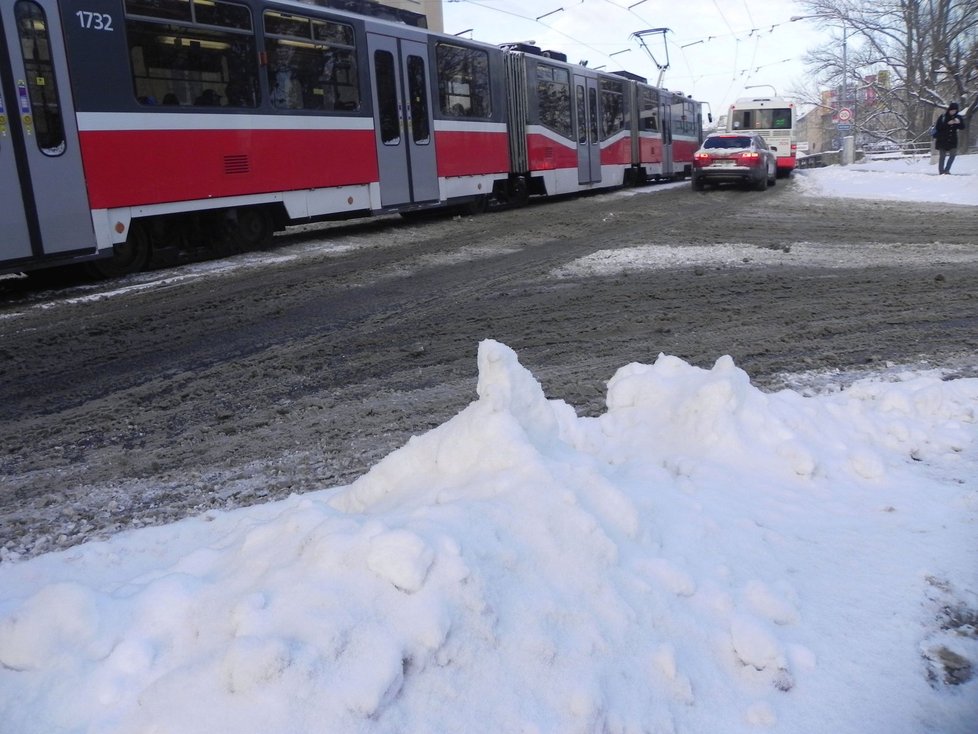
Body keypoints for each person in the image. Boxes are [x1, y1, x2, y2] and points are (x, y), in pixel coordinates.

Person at [933, 102, 966, 175]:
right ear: (949, 110)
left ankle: (947, 170)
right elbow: (938, 127)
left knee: (953, 155)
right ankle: (941, 171)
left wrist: (959, 122)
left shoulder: (958, 117)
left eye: (955, 111)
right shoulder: (943, 117)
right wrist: (948, 123)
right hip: (942, 140)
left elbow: (962, 127)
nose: (953, 112)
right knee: (942, 156)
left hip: (952, 140)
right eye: (952, 110)